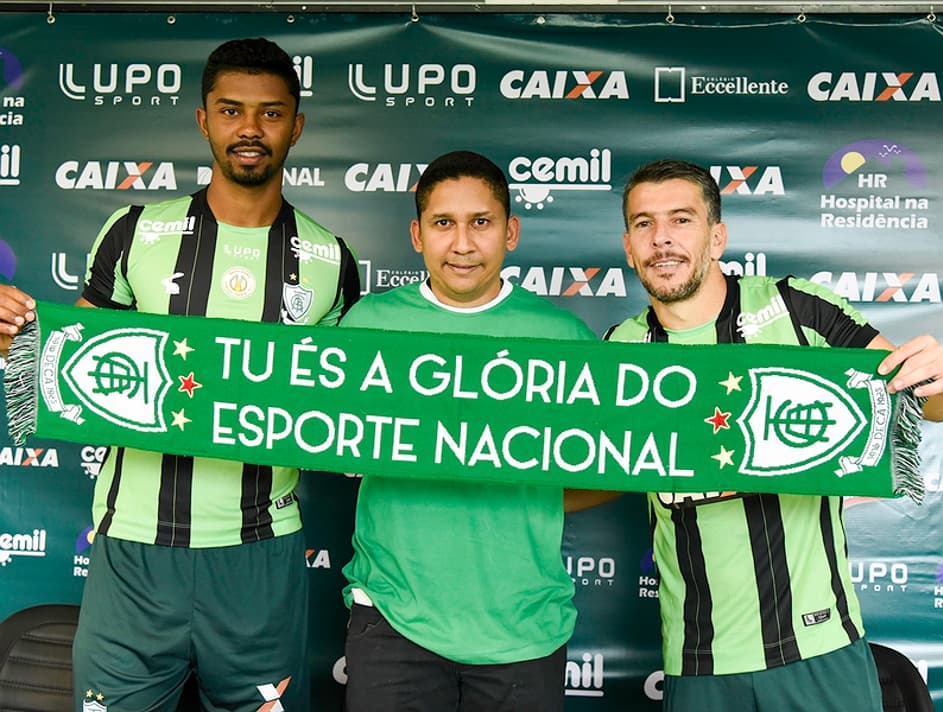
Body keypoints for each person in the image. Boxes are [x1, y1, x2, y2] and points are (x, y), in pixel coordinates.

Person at [0, 37, 361, 711]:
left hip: (259, 557)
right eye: (230, 110)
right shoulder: (135, 231)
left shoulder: (329, 260)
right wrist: (13, 335)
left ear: (296, 125)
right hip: (133, 553)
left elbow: (348, 403)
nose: (249, 129)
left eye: (270, 113)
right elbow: (59, 361)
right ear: (204, 120)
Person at [604, 159, 943, 712]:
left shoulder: (796, 308)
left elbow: (929, 404)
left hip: (819, 649)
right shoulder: (618, 349)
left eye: (681, 219)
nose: (662, 238)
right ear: (628, 246)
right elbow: (585, 466)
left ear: (717, 236)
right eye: (644, 224)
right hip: (698, 661)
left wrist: (939, 376)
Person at [339, 150, 596, 712]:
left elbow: (619, 462)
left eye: (481, 223)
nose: (462, 243)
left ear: (511, 232)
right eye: (443, 223)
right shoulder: (366, 326)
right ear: (416, 234)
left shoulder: (563, 338)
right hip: (393, 616)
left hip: (523, 625)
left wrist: (527, 495)